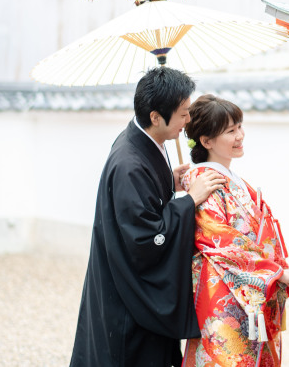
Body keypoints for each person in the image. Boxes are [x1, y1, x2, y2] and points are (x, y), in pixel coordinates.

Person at [70, 67, 228, 367]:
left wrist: (170, 181)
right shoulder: (129, 163)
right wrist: (190, 200)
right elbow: (145, 238)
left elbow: (144, 199)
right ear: (156, 117)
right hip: (129, 298)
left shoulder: (141, 142)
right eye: (182, 114)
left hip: (124, 283)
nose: (188, 121)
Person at [180, 94, 289, 367]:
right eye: (230, 131)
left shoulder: (230, 179)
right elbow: (220, 240)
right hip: (223, 289)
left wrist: (280, 268)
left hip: (245, 288)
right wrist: (276, 272)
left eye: (239, 126)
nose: (240, 135)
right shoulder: (203, 181)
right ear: (206, 141)